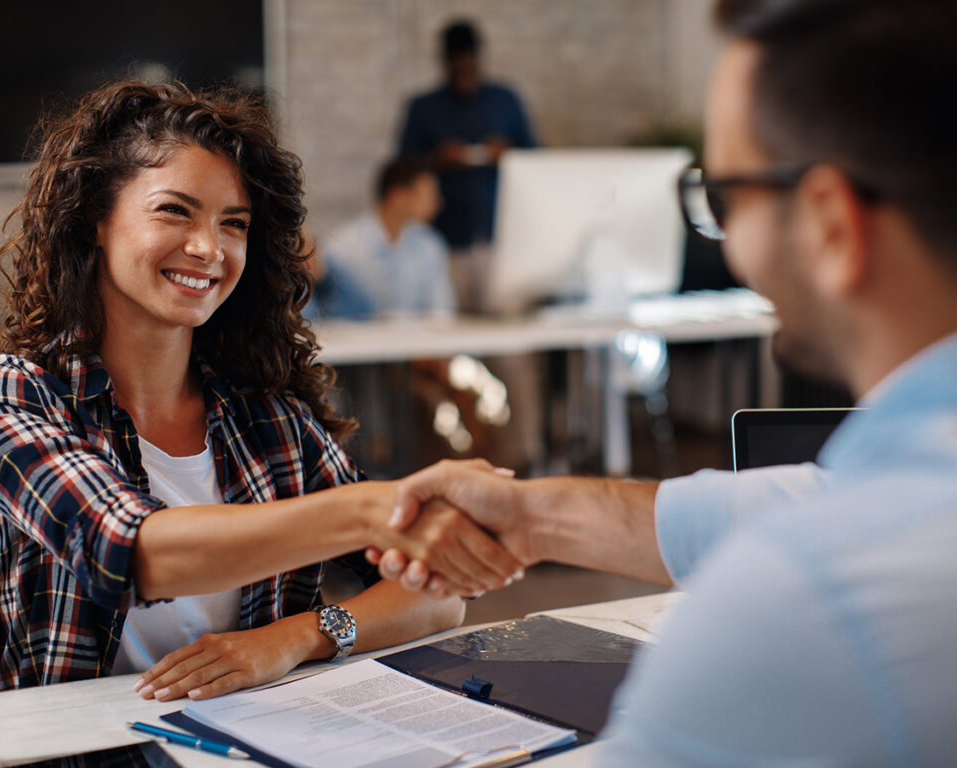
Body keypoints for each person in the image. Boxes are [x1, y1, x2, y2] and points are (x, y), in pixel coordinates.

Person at [374, 0, 957, 762]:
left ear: (831, 226)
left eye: (725, 198)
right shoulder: (901, 497)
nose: (724, 237)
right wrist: (530, 516)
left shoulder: (803, 604)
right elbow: (789, 501)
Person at [0, 79, 524, 698]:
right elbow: (132, 554)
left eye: (234, 223)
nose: (209, 248)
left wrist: (297, 637)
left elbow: (437, 599)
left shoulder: (269, 418)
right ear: (95, 220)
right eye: (175, 210)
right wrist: (374, 511)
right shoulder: (5, 394)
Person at [398, 18, 536, 312]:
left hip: (499, 236)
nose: (463, 70)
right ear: (445, 62)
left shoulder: (505, 100)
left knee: (508, 340)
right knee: (450, 330)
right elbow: (401, 168)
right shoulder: (424, 107)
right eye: (456, 63)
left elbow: (536, 158)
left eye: (468, 63)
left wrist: (507, 153)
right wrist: (439, 159)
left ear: (478, 59)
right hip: (445, 239)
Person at [319, 157, 455, 319]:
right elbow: (331, 314)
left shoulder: (431, 245)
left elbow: (441, 312)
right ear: (398, 196)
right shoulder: (341, 248)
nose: (437, 203)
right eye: (429, 195)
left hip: (418, 342)